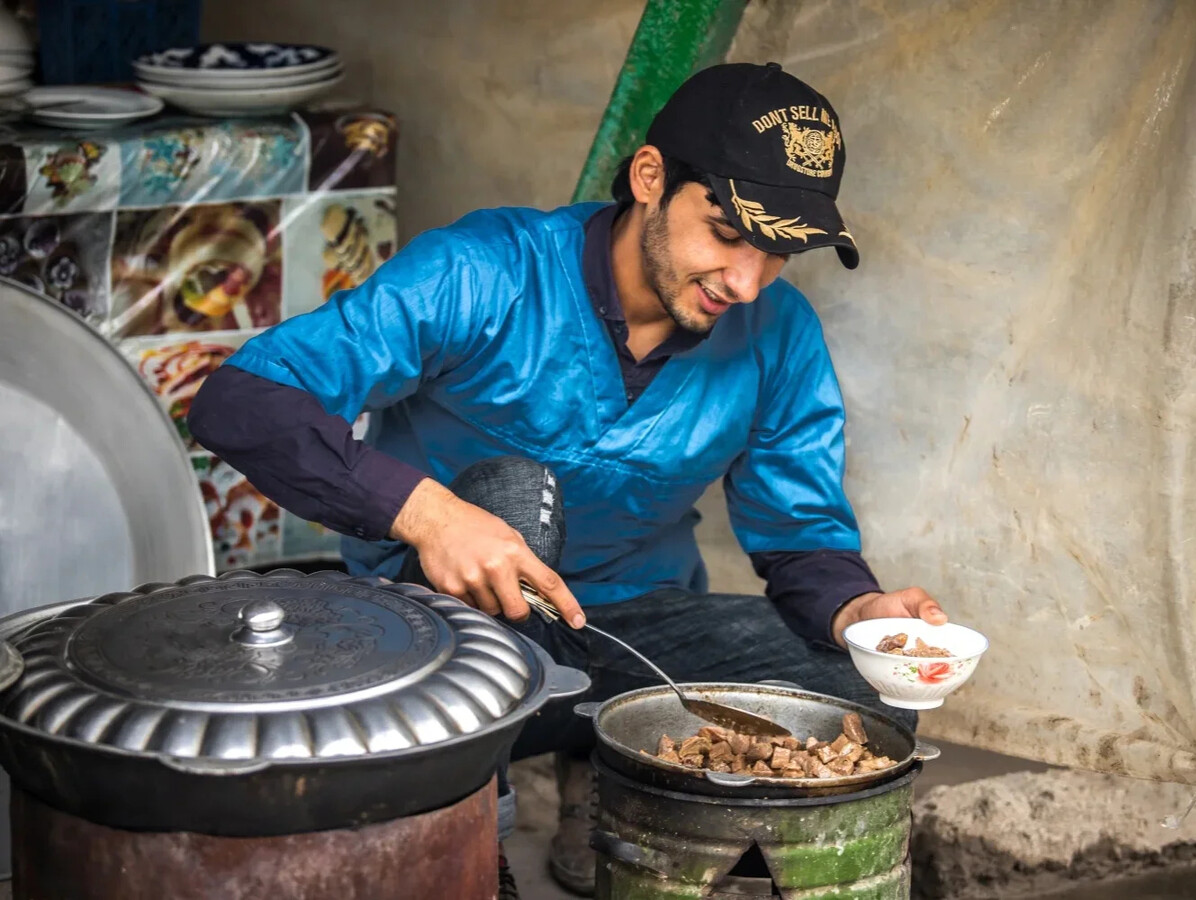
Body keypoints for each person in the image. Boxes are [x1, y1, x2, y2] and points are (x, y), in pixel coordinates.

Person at [189, 62, 948, 898]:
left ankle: (628, 792)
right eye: (729, 234)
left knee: (866, 689)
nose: (746, 282)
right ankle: (473, 853)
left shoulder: (779, 334)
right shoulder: (486, 271)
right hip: (442, 655)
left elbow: (801, 532)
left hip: (630, 644)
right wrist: (430, 516)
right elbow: (241, 399)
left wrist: (860, 612)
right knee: (516, 496)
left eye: (777, 253)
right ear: (651, 178)